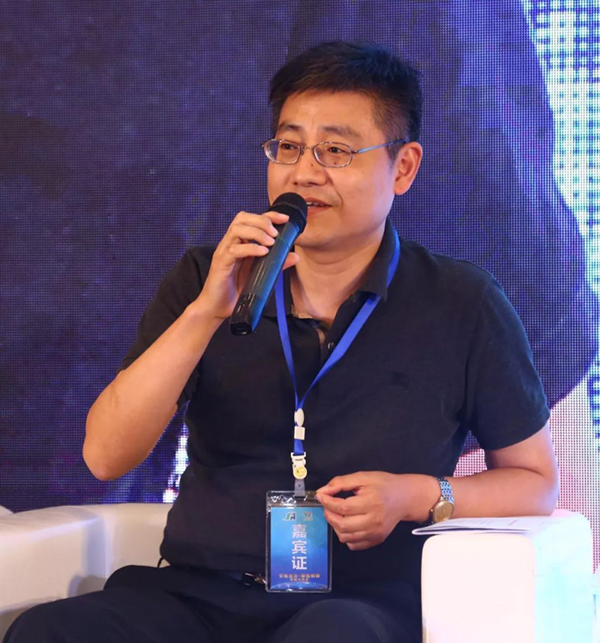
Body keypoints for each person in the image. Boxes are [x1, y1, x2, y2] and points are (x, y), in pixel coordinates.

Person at [4, 41, 559, 643]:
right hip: (198, 592)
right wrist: (207, 312)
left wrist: (418, 495)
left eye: (336, 151)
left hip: (358, 602)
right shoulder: (207, 279)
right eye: (289, 147)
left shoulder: (461, 302)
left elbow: (535, 482)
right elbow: (105, 456)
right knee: (47, 632)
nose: (305, 173)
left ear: (403, 167)